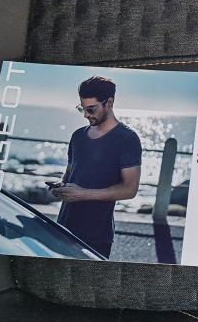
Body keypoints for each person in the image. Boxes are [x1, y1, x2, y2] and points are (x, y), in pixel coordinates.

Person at [51, 76, 141, 257]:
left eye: (91, 109)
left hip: (96, 236)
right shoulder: (77, 136)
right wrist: (61, 186)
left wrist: (82, 194)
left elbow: (130, 189)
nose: (85, 115)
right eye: (82, 109)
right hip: (63, 228)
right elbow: (70, 174)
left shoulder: (127, 139)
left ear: (109, 103)